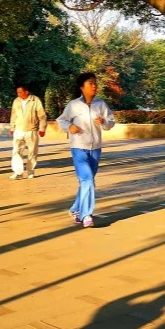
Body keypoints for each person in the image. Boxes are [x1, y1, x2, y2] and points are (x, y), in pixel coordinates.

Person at [56, 73, 115, 228]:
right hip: (78, 147)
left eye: (95, 83)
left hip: (95, 148)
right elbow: (61, 120)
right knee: (87, 178)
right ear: (82, 87)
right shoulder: (73, 105)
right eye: (90, 83)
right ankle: (86, 215)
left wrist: (104, 122)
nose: (94, 86)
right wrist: (69, 127)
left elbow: (111, 122)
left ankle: (76, 209)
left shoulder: (101, 105)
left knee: (87, 181)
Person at [9, 84, 47, 180]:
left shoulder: (35, 100)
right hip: (18, 130)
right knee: (16, 151)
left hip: (31, 131)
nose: (18, 94)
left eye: (20, 92)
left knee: (32, 152)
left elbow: (42, 115)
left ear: (26, 92)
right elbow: (13, 115)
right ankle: (18, 172)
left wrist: (42, 128)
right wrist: (12, 127)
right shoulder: (16, 101)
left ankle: (30, 171)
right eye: (17, 92)